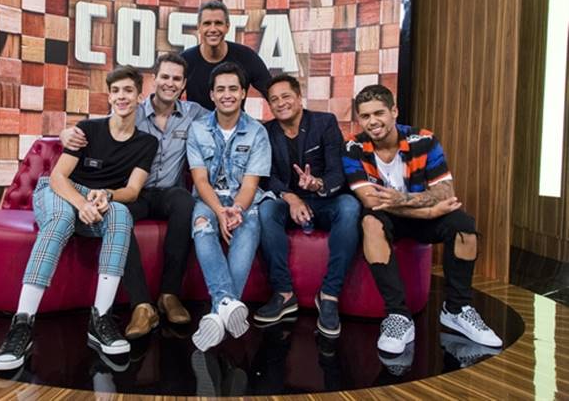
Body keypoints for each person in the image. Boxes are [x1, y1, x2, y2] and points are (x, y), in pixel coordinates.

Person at [0, 66, 158, 371]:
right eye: (116, 91)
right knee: (61, 219)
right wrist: (81, 203)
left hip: (98, 197)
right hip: (61, 191)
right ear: (109, 97)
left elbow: (133, 191)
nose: (121, 96)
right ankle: (22, 324)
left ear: (139, 97)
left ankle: (100, 319)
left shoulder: (146, 143)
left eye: (128, 91)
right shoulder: (88, 130)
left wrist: (106, 195)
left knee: (121, 215)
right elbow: (58, 177)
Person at [342, 84, 502, 354]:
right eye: (365, 116)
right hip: (390, 217)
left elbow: (445, 192)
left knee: (464, 226)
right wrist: (428, 211)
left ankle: (457, 309)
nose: (373, 122)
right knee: (370, 221)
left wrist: (405, 202)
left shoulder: (424, 140)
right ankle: (398, 316)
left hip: (415, 215)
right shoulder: (353, 147)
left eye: (379, 113)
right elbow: (371, 201)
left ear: (394, 111)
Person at [60, 53, 209, 339]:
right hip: (131, 191)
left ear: (183, 84)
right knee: (119, 215)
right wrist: (65, 133)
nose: (170, 83)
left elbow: (226, 119)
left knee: (184, 202)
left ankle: (169, 295)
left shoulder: (195, 114)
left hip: (168, 193)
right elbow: (100, 128)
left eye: (176, 79)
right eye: (164, 77)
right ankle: (142, 306)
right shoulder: (133, 109)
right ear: (154, 80)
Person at [255, 74, 360, 336]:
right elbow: (266, 176)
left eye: (286, 96)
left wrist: (317, 184)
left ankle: (329, 295)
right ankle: (284, 293)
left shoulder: (324, 123)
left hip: (325, 200)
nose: (281, 103)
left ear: (299, 98)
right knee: (266, 210)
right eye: (274, 99)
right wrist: (291, 197)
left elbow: (337, 172)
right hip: (289, 202)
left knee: (349, 207)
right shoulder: (266, 132)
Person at [186, 62, 272, 351]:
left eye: (233, 89)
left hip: (244, 202)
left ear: (244, 93)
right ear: (211, 94)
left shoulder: (257, 132)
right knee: (201, 224)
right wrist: (219, 211)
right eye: (220, 89)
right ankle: (227, 302)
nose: (227, 95)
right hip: (208, 199)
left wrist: (235, 209)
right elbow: (200, 180)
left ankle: (218, 311)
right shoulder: (197, 129)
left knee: (248, 226)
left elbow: (250, 185)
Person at [181, 0, 271, 110]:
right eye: (207, 23)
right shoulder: (185, 61)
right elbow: (169, 99)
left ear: (227, 27)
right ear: (199, 27)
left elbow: (272, 92)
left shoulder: (246, 57)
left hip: (237, 121)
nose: (213, 29)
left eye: (218, 23)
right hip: (196, 121)